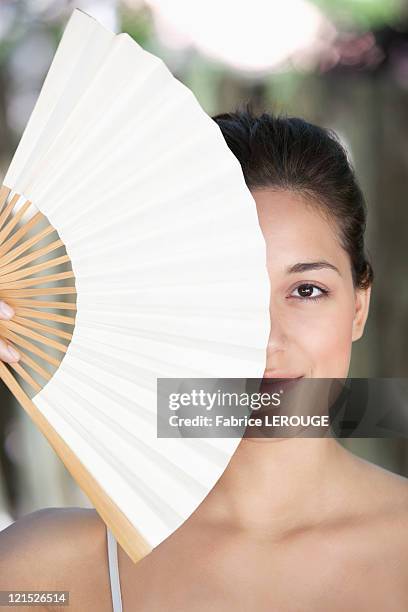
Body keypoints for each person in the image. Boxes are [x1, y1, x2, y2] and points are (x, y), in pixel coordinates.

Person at [1, 108, 408, 611]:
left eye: (306, 289)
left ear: (358, 307)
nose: (267, 338)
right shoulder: (47, 570)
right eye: (229, 292)